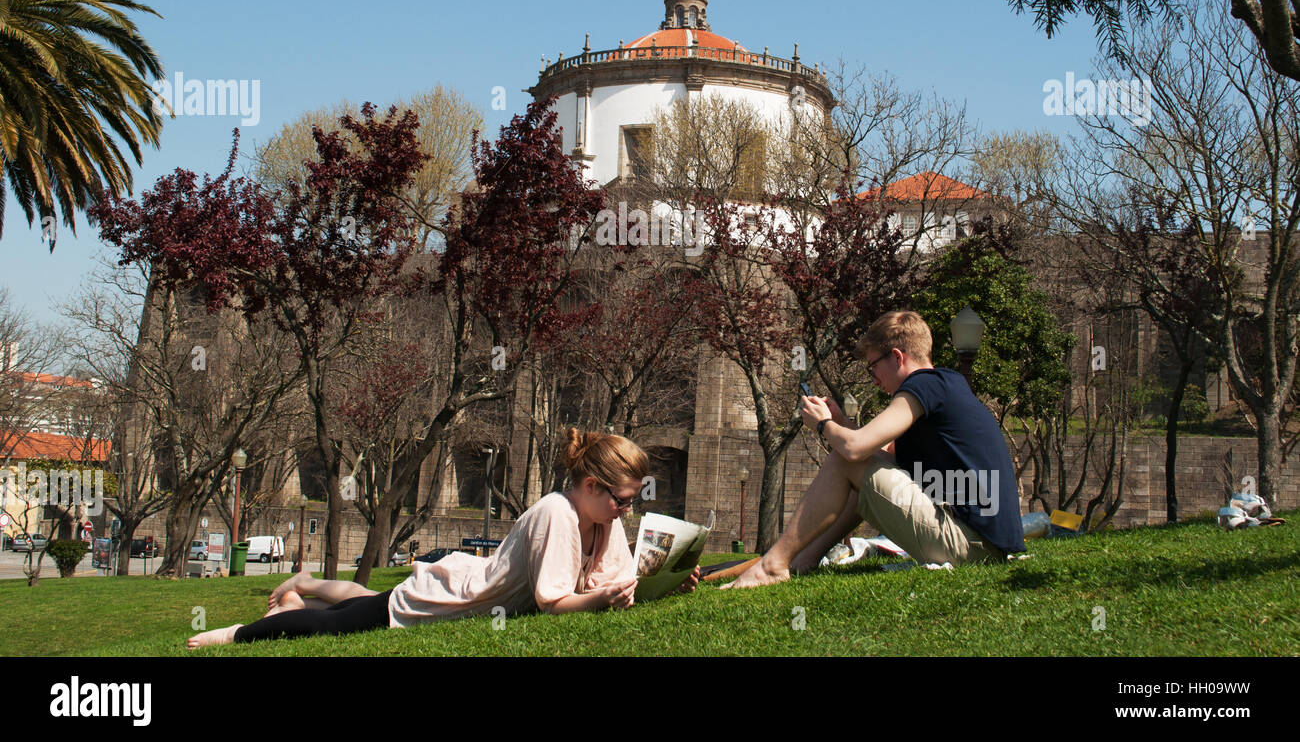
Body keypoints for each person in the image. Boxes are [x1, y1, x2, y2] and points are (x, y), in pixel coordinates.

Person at [187, 428, 700, 648]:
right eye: (623, 499)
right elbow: (556, 605)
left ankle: (306, 586)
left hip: (468, 593)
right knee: (335, 626)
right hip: (445, 599)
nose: (627, 509)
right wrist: (600, 600)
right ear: (590, 485)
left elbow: (619, 584)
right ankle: (238, 632)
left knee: (363, 598)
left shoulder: (605, 521)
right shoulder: (556, 513)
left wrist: (666, 582)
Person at [725, 310, 1025, 590]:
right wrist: (841, 423)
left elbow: (854, 452)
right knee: (854, 471)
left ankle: (772, 565)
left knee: (844, 461)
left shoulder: (924, 385)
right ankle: (802, 561)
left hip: (968, 544)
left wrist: (823, 425)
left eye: (873, 366)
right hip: (984, 545)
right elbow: (878, 461)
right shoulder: (945, 385)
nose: (873, 377)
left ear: (897, 357)